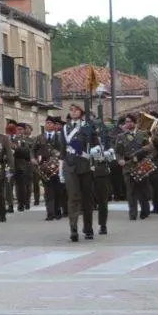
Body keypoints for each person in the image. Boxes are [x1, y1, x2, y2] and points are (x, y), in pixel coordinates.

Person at [62, 103, 96, 242]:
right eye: (71, 110)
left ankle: (88, 228)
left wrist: (93, 151)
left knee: (87, 199)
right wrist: (60, 169)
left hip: (85, 165)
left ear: (81, 112)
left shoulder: (86, 126)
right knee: (73, 198)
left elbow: (93, 142)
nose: (73, 112)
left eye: (76, 110)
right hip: (70, 166)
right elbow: (62, 149)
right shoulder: (65, 128)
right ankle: (73, 229)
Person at [115, 114, 154, 221]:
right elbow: (118, 151)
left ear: (134, 122)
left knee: (142, 190)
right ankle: (132, 214)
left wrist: (147, 160)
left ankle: (145, 211)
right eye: (126, 122)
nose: (127, 124)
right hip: (128, 166)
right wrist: (120, 159)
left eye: (129, 121)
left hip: (141, 165)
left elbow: (150, 148)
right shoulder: (121, 136)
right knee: (130, 191)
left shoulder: (142, 134)